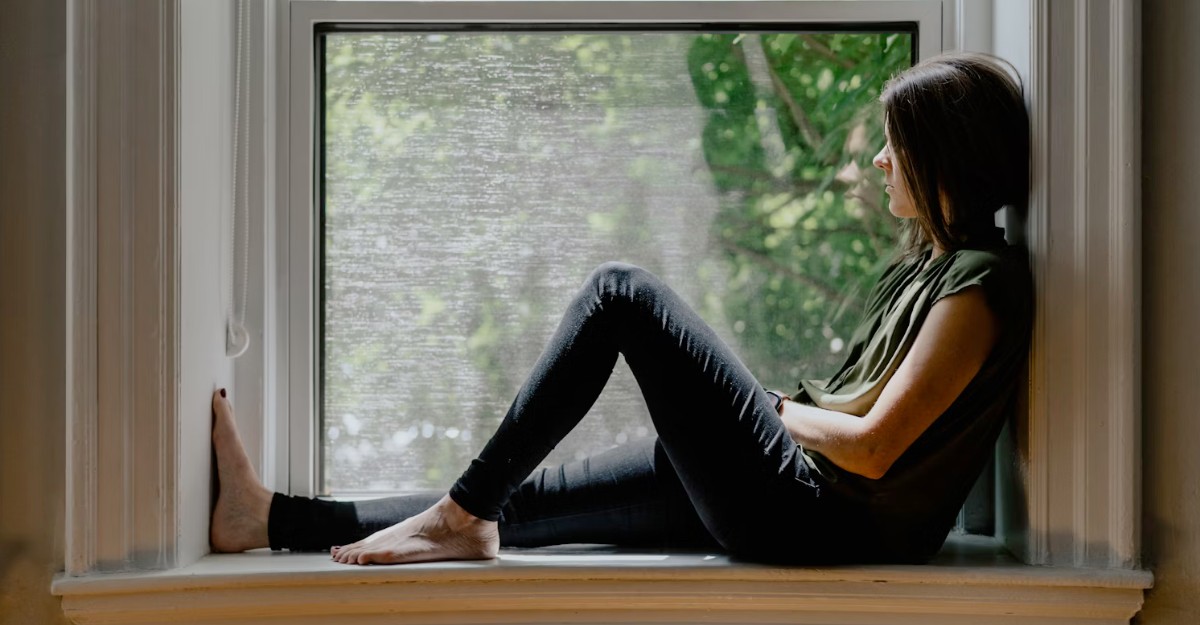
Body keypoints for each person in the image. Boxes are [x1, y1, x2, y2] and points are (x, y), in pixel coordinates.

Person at [209, 51, 1032, 566]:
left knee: (622, 293)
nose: (882, 160)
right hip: (796, 501)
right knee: (510, 503)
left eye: (899, 144)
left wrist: (765, 405)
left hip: (817, 519)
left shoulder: (977, 288)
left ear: (943, 156)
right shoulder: (932, 265)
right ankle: (269, 518)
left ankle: (455, 514)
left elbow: (877, 448)